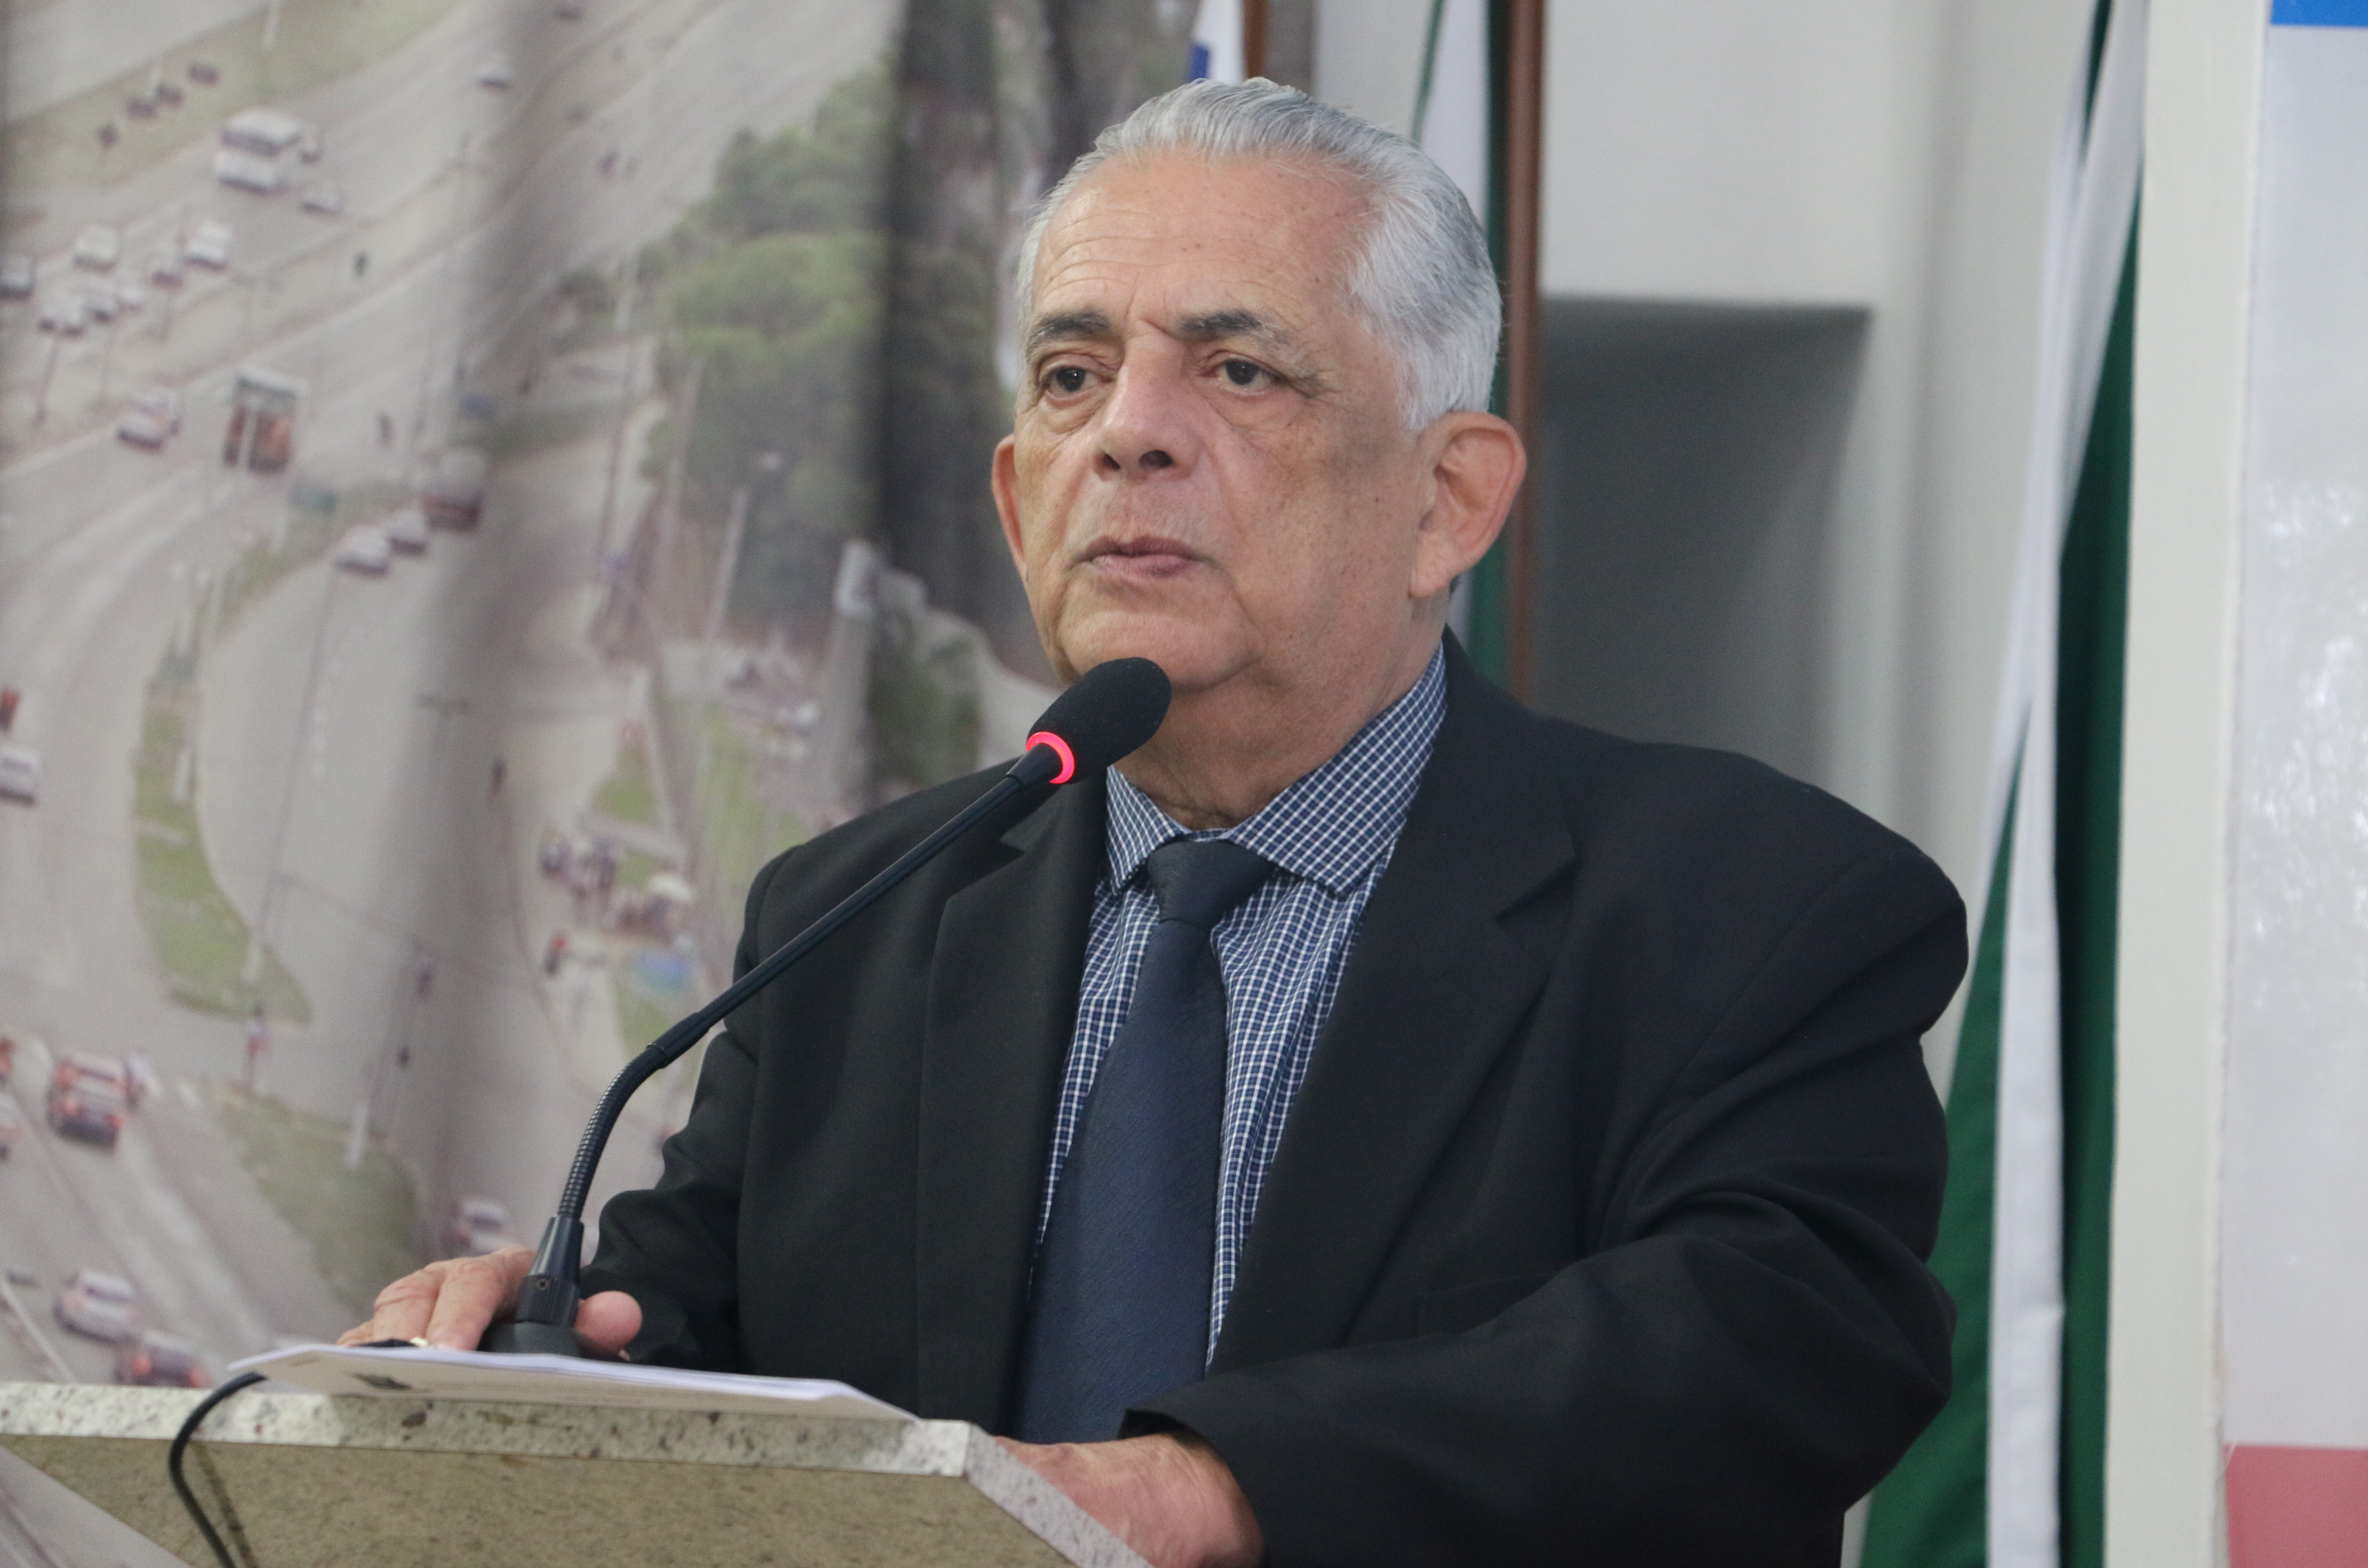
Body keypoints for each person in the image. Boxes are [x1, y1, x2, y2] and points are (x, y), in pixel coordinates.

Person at [347, 81, 1964, 1568]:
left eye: (1239, 370)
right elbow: (693, 1324)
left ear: (1450, 500)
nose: (1127, 430)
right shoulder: (860, 914)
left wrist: (1215, 1484)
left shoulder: (1750, 908)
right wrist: (533, 1357)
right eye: (1073, 377)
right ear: (1018, 501)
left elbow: (1779, 1349)